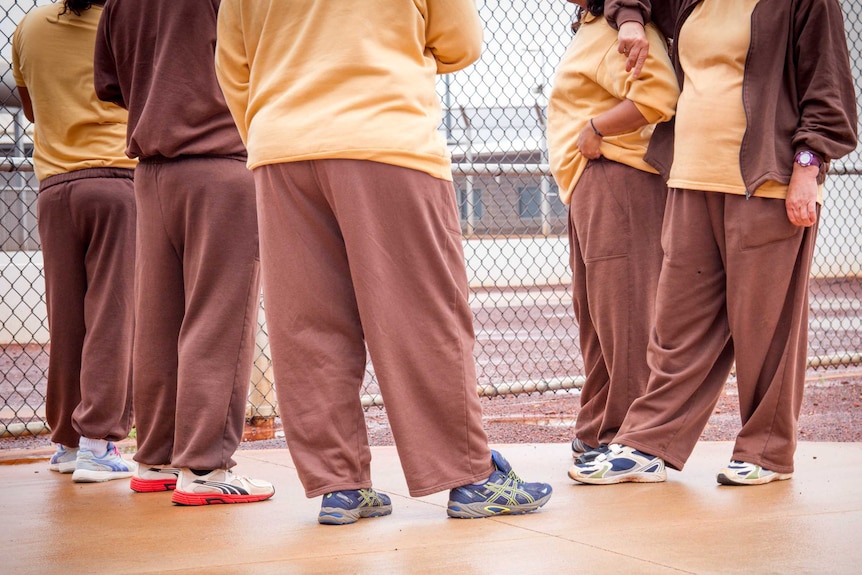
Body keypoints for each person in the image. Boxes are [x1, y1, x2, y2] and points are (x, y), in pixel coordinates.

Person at [214, 0, 553, 524]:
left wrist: (272, 126)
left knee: (307, 323)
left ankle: (340, 485)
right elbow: (461, 44)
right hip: (385, 137)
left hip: (281, 148)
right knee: (420, 314)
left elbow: (232, 65)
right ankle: (468, 477)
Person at [569, 0, 858, 485]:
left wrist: (809, 167)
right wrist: (633, 21)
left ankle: (766, 451)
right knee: (676, 324)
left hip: (767, 181)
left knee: (765, 325)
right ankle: (648, 444)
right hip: (689, 179)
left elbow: (826, 89)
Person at [93, 0, 274, 504]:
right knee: (220, 316)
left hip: (150, 171)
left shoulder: (117, 4)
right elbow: (262, 54)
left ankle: (155, 459)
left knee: (158, 320)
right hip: (220, 162)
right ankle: (206, 468)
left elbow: (110, 87)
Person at [547, 0, 679, 463]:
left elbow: (659, 94)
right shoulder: (590, 26)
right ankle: (598, 427)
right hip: (589, 181)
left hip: (618, 177)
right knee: (597, 317)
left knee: (624, 316)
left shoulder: (619, 29)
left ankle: (630, 436)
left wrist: (595, 127)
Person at [11, 0, 138, 483]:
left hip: (55, 187)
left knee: (66, 315)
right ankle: (99, 443)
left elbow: (29, 104)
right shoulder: (123, 19)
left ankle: (66, 440)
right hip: (117, 180)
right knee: (113, 313)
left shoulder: (29, 25)